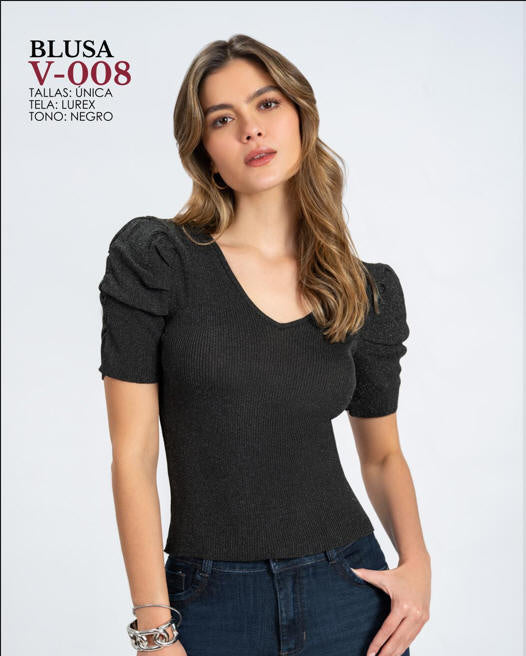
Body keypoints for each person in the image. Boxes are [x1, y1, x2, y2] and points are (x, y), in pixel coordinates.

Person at [98, 34, 431, 656]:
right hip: (208, 601)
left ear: (301, 117)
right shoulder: (159, 260)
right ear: (204, 151)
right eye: (223, 119)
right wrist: (154, 628)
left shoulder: (363, 289)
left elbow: (383, 456)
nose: (251, 128)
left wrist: (417, 567)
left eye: (267, 104)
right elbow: (133, 456)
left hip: (350, 592)